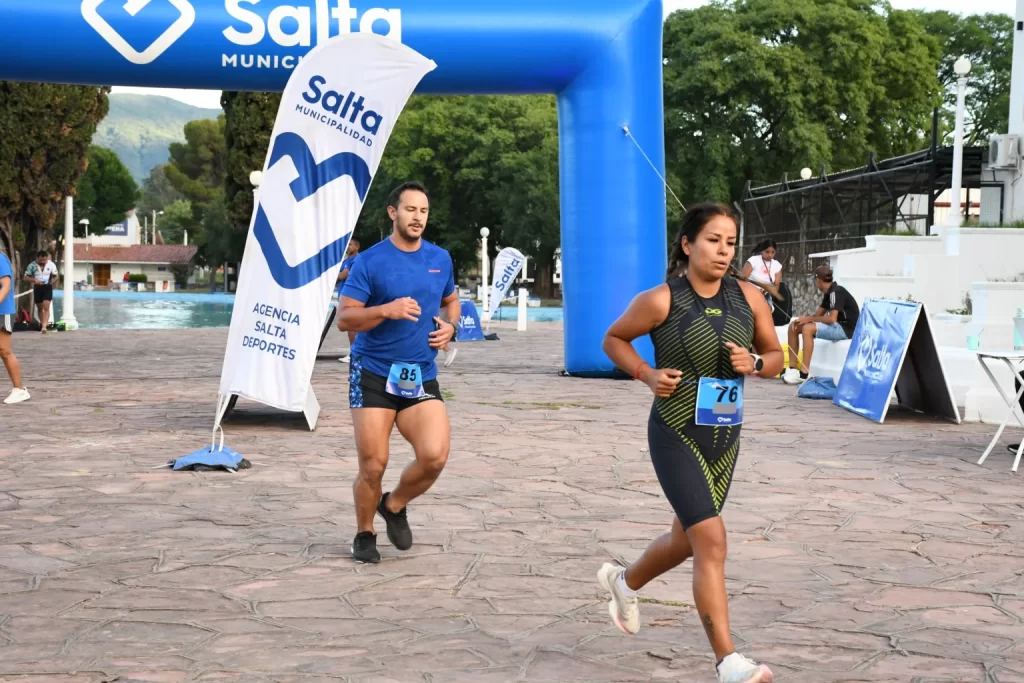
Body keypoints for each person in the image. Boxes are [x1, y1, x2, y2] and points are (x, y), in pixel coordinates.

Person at [597, 203, 783, 683]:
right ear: (687, 244)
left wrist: (755, 364)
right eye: (713, 240)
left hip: (724, 438)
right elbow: (613, 339)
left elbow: (776, 356)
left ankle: (624, 582)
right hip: (675, 433)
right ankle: (728, 662)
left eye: (730, 243)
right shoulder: (661, 300)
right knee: (712, 540)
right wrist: (646, 373)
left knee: (686, 541)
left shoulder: (750, 298)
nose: (723, 251)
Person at [337, 181, 460, 564]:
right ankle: (364, 533)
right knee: (373, 465)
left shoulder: (440, 258)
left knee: (434, 457)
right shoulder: (370, 261)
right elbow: (345, 318)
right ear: (393, 213)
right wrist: (385, 310)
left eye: (423, 211)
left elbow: (452, 300)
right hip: (373, 372)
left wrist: (451, 326)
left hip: (419, 374)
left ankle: (393, 504)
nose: (417, 217)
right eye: (410, 210)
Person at [782, 265, 860, 385]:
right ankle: (792, 369)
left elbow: (832, 318)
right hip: (837, 325)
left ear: (818, 280)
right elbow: (818, 315)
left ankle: (804, 373)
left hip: (846, 329)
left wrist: (808, 320)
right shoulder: (829, 292)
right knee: (794, 326)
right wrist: (803, 320)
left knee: (807, 329)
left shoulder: (835, 292)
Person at [0, 250, 30, 404]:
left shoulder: (0, 259)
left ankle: (19, 389)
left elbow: (5, 287)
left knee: (4, 351)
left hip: (3, 311)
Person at [337, 236, 361, 364]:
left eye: (351, 244)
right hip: (343, 296)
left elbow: (342, 275)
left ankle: (354, 353)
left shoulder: (356, 260)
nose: (348, 247)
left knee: (352, 326)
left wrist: (334, 276)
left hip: (351, 297)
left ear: (357, 246)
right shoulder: (346, 260)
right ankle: (354, 351)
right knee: (350, 326)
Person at [24, 250, 58, 334]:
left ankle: (44, 326)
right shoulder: (32, 265)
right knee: (40, 308)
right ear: (37, 258)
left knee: (46, 306)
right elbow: (25, 277)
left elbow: (56, 276)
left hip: (47, 287)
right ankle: (42, 323)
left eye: (44, 260)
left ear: (47, 258)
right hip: (37, 287)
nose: (43, 262)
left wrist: (52, 281)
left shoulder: (51, 264)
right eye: (41, 260)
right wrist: (34, 280)